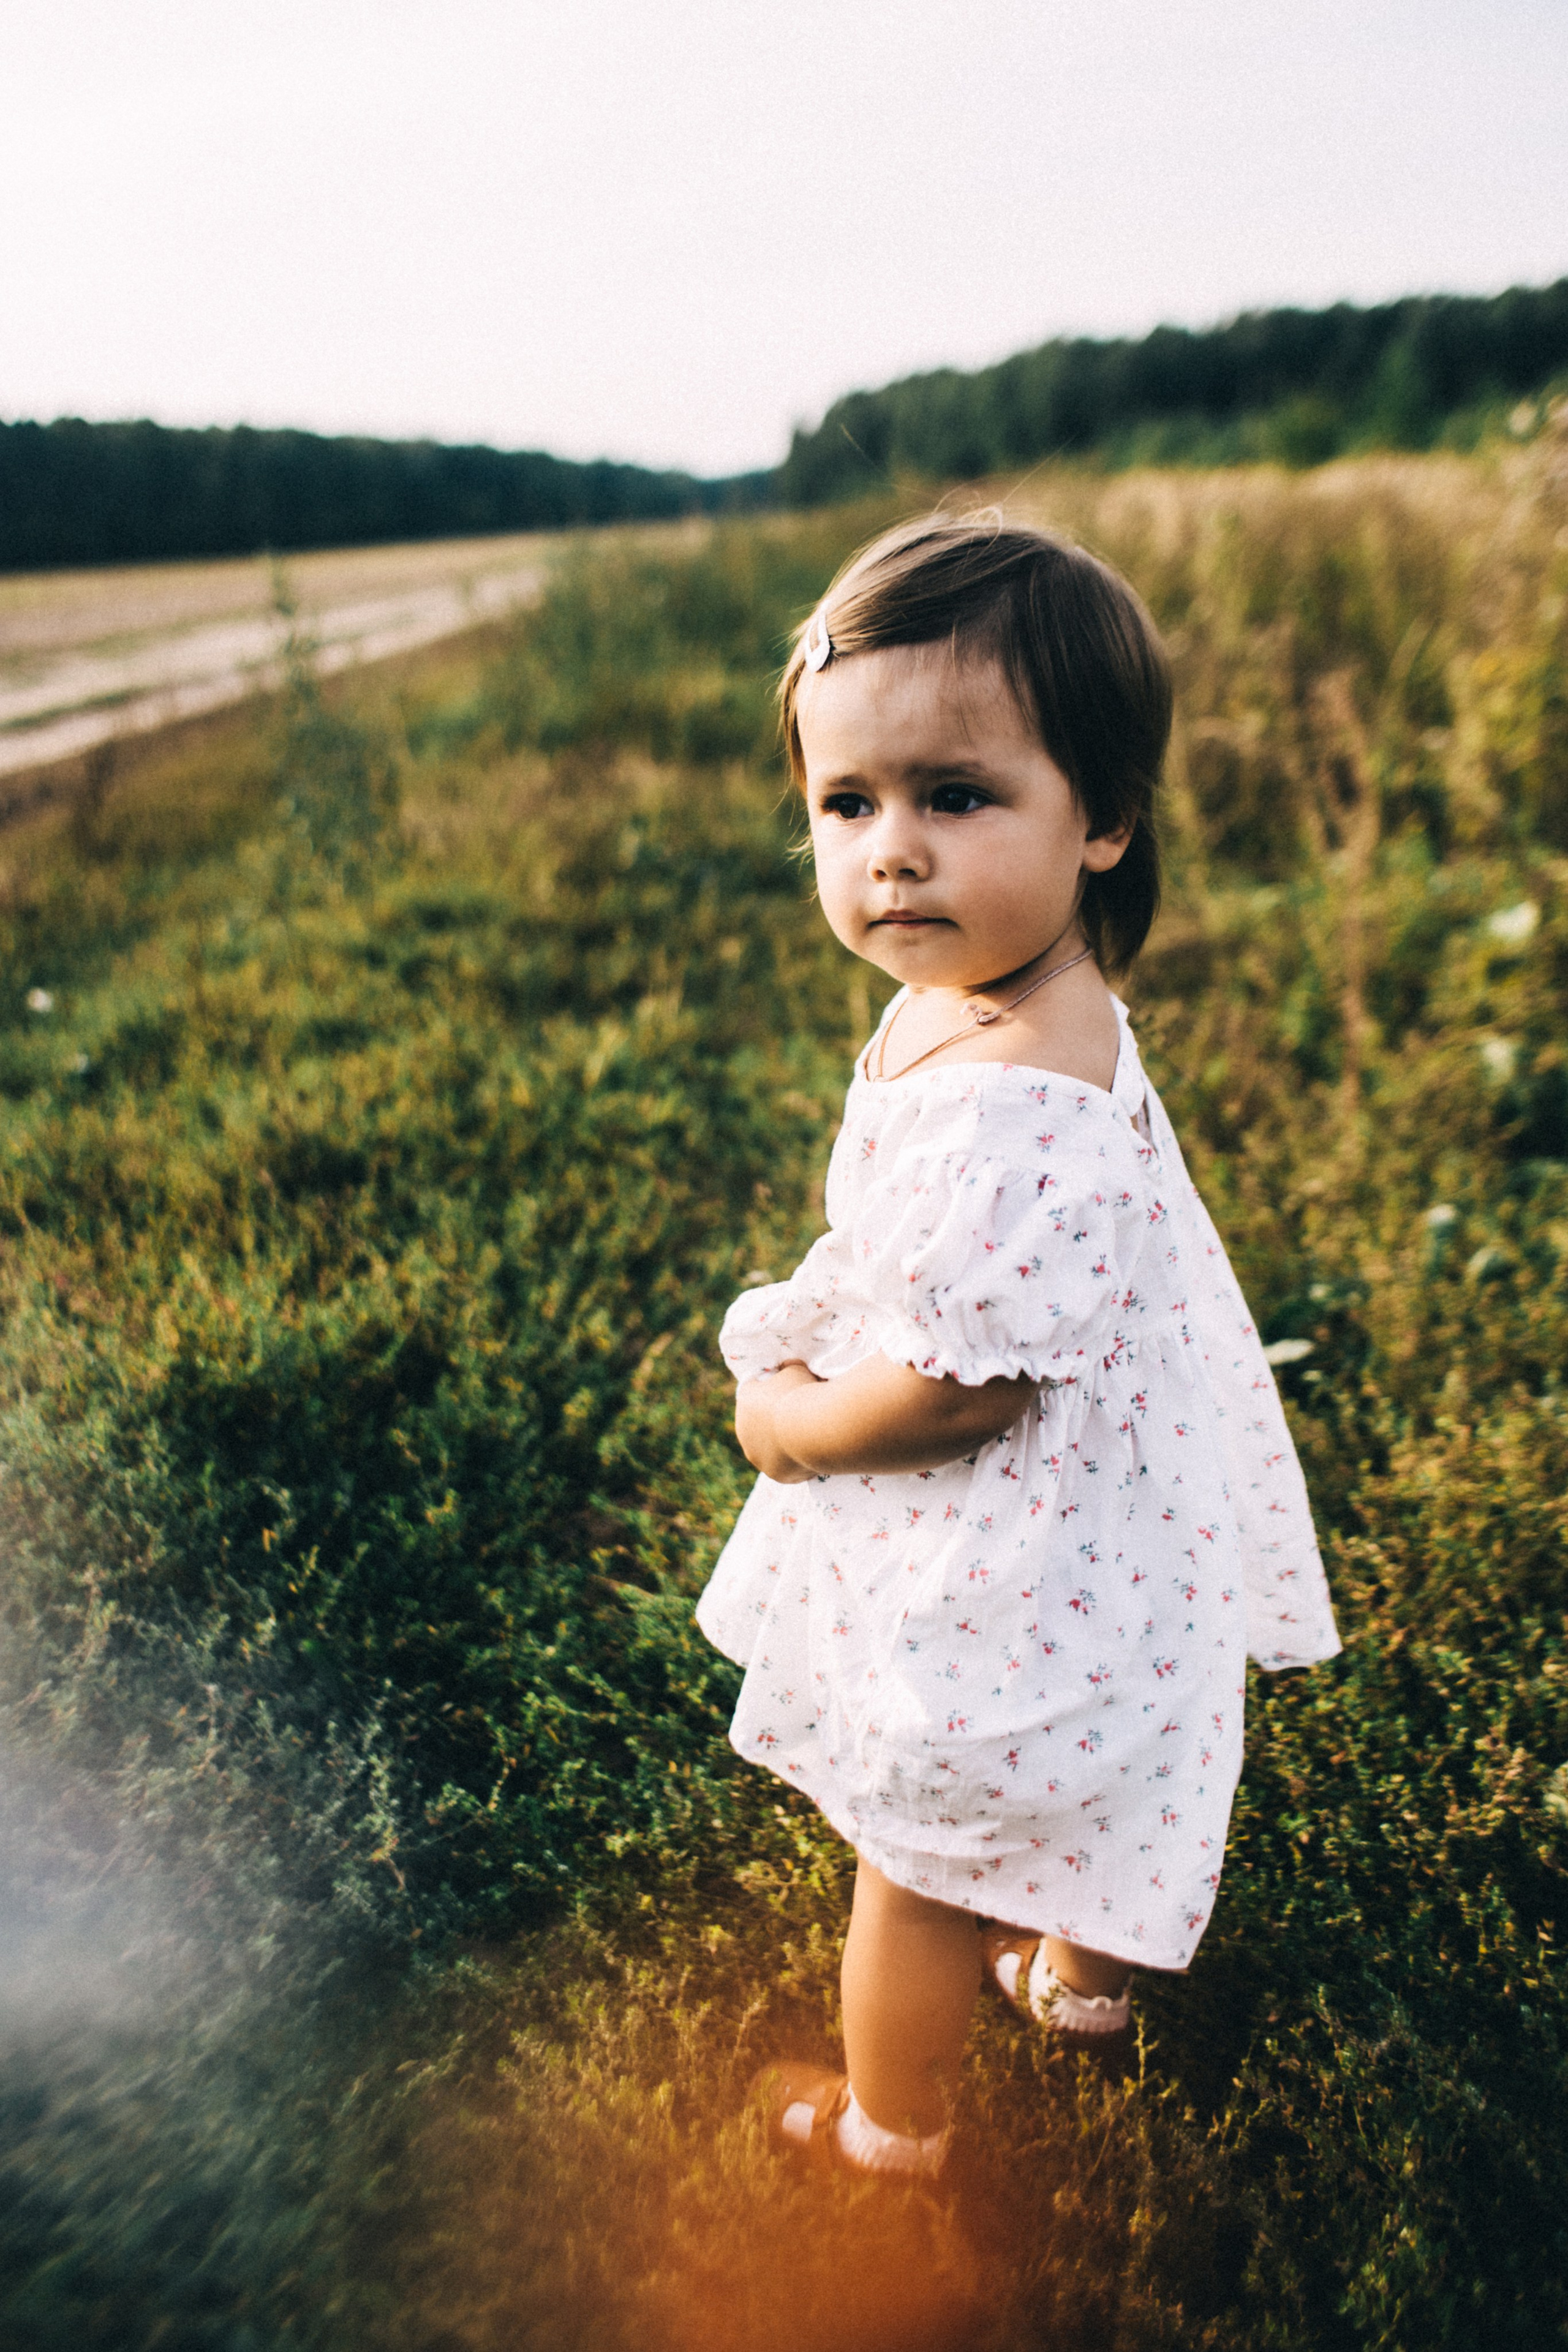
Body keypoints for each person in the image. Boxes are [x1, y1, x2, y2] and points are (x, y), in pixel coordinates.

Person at [695, 514, 1341, 2182]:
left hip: (1006, 1539)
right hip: (1110, 1524)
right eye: (849, 806)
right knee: (1102, 1775)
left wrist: (793, 1427)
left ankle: (890, 2130)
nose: (889, 853)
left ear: (1106, 821)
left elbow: (967, 1386)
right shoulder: (1016, 993)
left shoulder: (1012, 1101)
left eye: (954, 798)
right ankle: (1076, 1989)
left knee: (912, 1858)